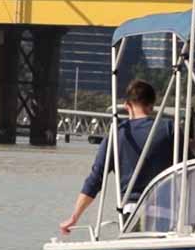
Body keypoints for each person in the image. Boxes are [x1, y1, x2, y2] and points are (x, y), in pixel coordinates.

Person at [60, 79, 176, 234]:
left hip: (132, 212)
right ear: (152, 106)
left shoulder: (117, 134)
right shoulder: (169, 128)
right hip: (166, 210)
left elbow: (95, 179)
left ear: (127, 105)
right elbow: (191, 168)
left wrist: (74, 217)